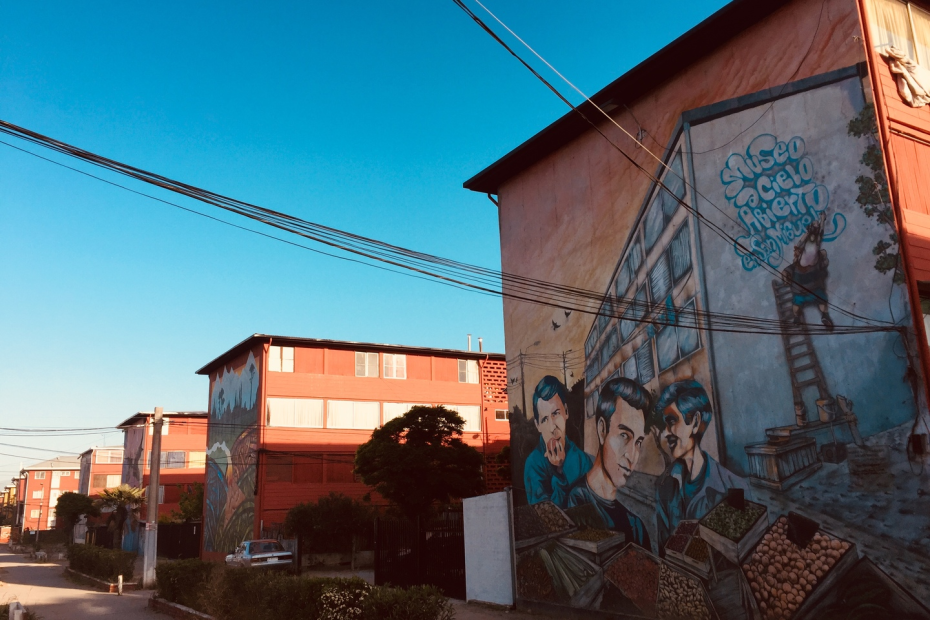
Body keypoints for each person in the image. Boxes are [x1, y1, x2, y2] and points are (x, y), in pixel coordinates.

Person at [654, 380, 749, 549]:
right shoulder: (664, 485)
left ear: (696, 422)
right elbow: (664, 549)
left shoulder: (732, 487)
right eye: (664, 425)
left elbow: (738, 552)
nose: (665, 433)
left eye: (672, 421)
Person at [566, 377, 651, 549]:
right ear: (602, 430)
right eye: (624, 435)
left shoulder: (636, 527)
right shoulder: (576, 504)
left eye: (638, 442)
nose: (632, 455)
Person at [523, 375, 592, 507]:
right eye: (545, 419)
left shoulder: (582, 461)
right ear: (537, 425)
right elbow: (547, 516)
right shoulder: (533, 465)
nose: (552, 427)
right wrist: (559, 473)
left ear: (566, 412)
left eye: (555, 413)